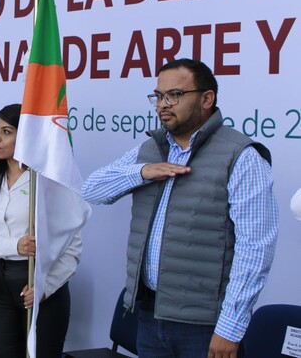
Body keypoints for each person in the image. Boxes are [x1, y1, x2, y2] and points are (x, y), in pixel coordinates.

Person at [82, 59, 278, 358]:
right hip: (150, 315)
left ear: (206, 99)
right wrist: (142, 172)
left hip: (205, 326)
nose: (163, 104)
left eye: (173, 95)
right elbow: (91, 190)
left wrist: (230, 328)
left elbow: (255, 249)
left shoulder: (241, 156)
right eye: (158, 96)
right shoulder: (150, 149)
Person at [0, 104, 81, 358]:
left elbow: (72, 247)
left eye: (6, 131)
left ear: (27, 137)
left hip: (38, 284)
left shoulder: (50, 184)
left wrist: (44, 287)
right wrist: (14, 245)